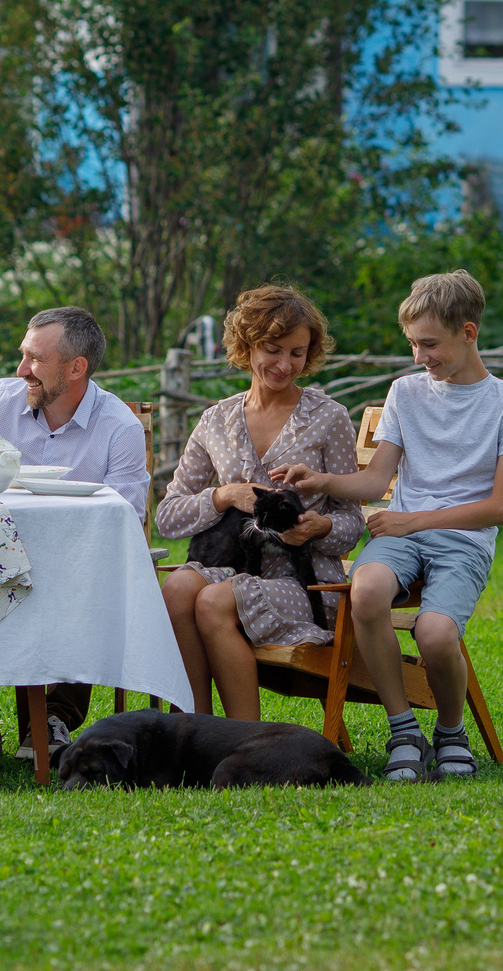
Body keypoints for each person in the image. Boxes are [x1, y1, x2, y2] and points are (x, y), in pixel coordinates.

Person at [273, 270, 503, 783]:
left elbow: (502, 507)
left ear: (468, 332)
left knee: (435, 634)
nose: (419, 357)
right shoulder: (406, 393)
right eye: (413, 344)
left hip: (462, 540)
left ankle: (451, 733)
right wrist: (320, 479)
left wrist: (413, 518)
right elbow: (376, 480)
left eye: (429, 344)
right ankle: (404, 731)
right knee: (366, 590)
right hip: (400, 536)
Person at [0, 305, 151, 762]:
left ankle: (52, 718)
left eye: (35, 359)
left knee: (93, 581)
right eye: (23, 355)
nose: (21, 370)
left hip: (74, 563)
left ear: (76, 368)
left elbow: (126, 518)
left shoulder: (119, 428)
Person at [156, 285, 364, 718]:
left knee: (213, 601)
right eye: (273, 350)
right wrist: (223, 495)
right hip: (230, 566)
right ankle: (192, 729)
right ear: (247, 344)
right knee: (176, 589)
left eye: (297, 353)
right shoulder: (216, 420)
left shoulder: (329, 418)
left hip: (305, 585)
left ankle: (244, 739)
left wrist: (321, 527)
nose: (285, 365)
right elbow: (168, 517)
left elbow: (352, 521)